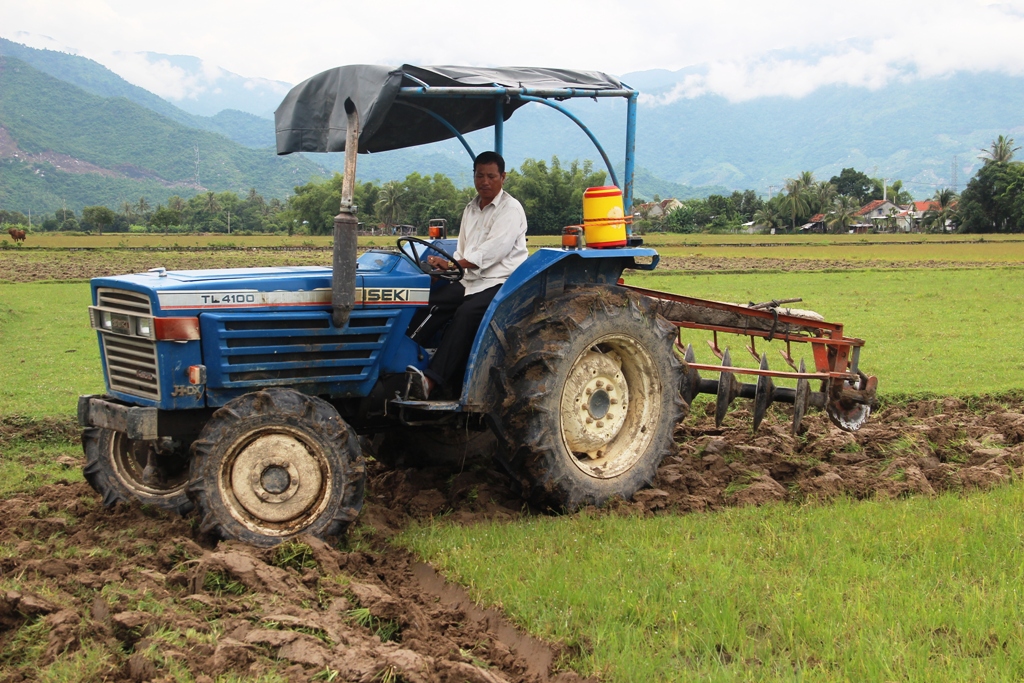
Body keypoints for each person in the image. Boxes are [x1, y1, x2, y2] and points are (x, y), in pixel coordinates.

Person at [407, 151, 528, 399]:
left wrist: (451, 266)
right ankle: (405, 356)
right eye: (479, 175)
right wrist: (442, 272)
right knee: (432, 303)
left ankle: (432, 380)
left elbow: (492, 252)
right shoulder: (470, 209)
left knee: (466, 314)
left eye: (491, 176)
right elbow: (462, 250)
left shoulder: (511, 209)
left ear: (503, 177)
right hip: (469, 279)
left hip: (501, 282)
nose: (485, 181)